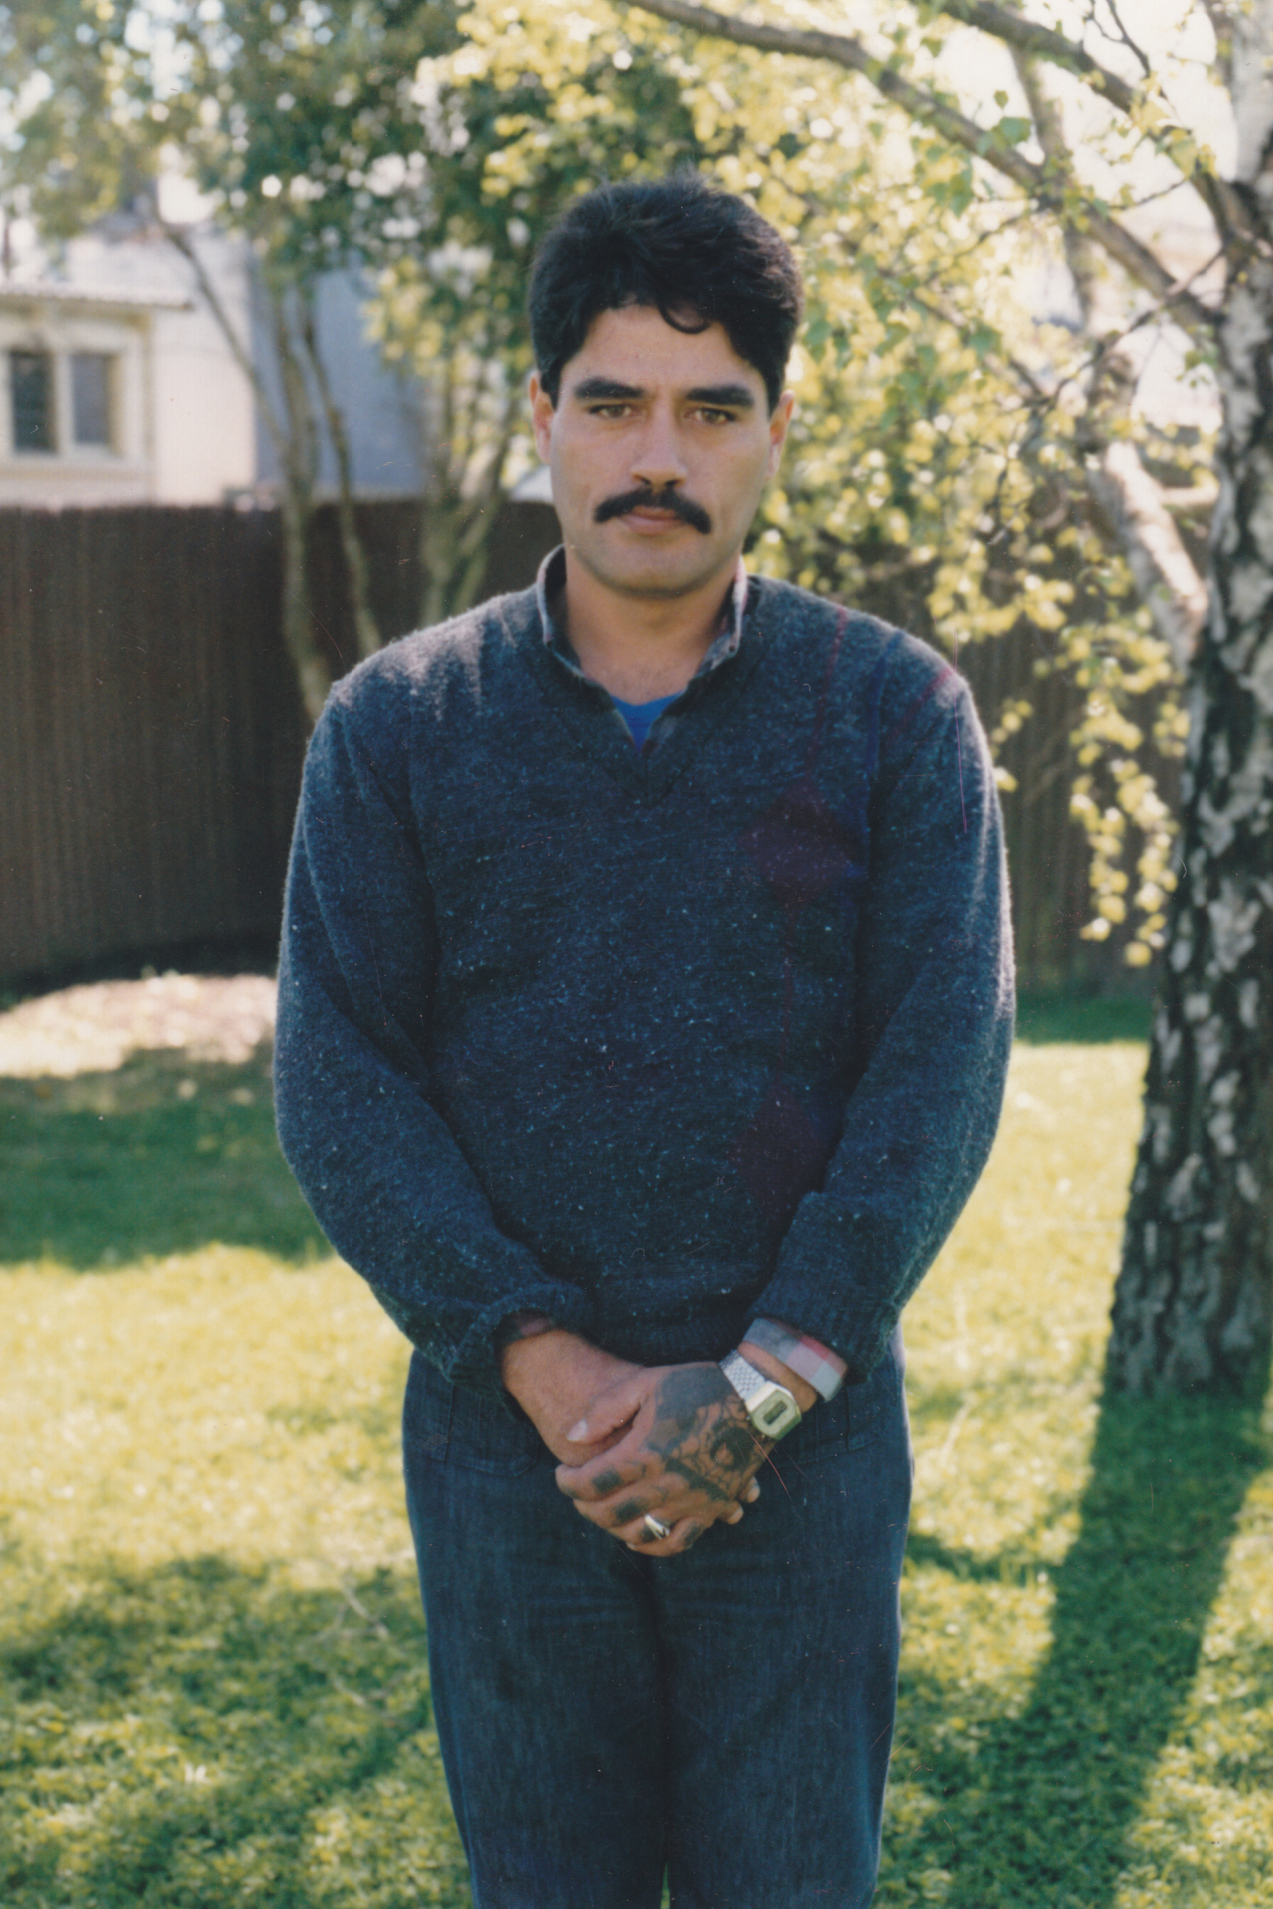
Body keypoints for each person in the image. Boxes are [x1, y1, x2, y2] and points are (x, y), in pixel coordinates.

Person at [274, 172, 1013, 1909]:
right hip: (504, 1445)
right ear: (545, 418)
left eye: (711, 408)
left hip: (805, 1451)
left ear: (774, 430)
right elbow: (340, 1079)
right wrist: (547, 1366)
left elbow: (939, 1066)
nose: (655, 455)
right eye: (610, 403)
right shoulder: (398, 725)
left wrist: (756, 1388)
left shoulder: (891, 711)